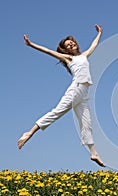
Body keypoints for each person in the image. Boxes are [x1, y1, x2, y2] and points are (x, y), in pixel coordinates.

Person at [18, 24, 105, 167]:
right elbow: (47, 51)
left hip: (83, 93)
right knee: (57, 112)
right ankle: (29, 133)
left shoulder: (83, 56)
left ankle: (93, 153)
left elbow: (94, 45)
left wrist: (99, 33)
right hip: (76, 89)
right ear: (66, 50)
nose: (71, 45)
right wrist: (30, 44)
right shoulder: (68, 58)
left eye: (72, 43)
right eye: (68, 45)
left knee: (86, 123)